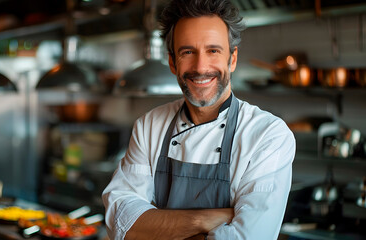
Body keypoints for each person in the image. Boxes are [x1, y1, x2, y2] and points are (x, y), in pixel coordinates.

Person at [102, 0, 296, 239]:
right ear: (173, 62)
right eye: (187, 52)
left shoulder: (268, 135)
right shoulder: (149, 126)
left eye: (213, 51)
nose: (201, 67)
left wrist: (154, 226)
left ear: (232, 59)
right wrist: (204, 219)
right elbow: (121, 222)